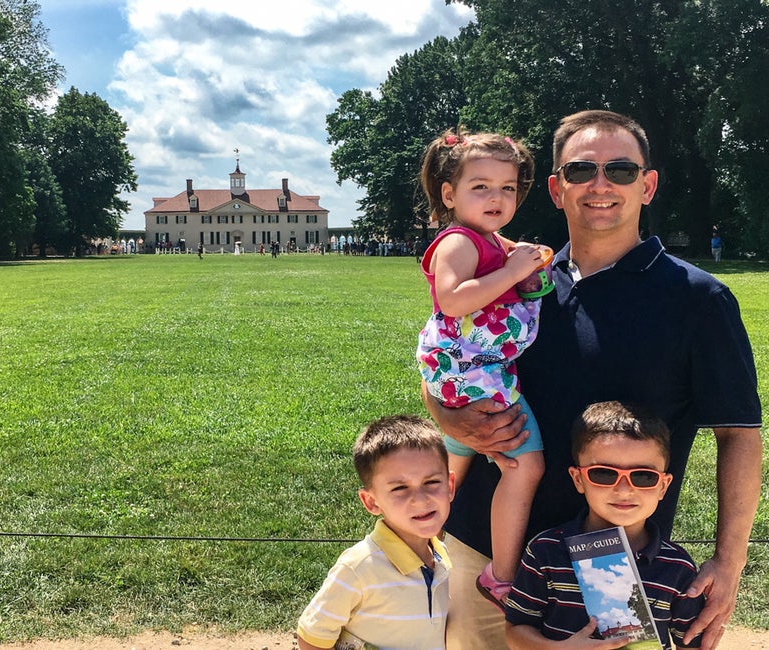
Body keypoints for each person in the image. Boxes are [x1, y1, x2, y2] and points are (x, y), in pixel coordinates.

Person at [424, 110, 761, 650]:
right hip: (486, 553)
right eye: (581, 170)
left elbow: (739, 433)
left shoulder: (699, 300)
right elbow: (450, 362)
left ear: (647, 185)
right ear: (556, 189)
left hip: (612, 560)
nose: (600, 185)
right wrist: (445, 413)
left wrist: (729, 559)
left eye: (621, 170)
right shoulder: (516, 281)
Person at [416, 129, 547, 610]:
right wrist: (514, 271)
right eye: (481, 186)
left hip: (469, 370)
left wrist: (524, 264)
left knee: (455, 467)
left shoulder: (487, 239)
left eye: (508, 187)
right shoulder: (458, 241)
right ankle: (501, 576)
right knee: (525, 465)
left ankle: (421, 543)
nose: (497, 197)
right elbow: (452, 299)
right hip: (477, 372)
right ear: (449, 195)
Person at [505, 401, 705, 649]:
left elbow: (691, 643)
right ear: (578, 479)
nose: (624, 489)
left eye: (644, 476)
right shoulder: (545, 551)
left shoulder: (678, 568)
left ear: (663, 486)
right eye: (604, 473)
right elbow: (515, 629)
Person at [296, 415, 455, 650]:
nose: (420, 499)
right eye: (400, 488)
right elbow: (311, 638)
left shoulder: (444, 558)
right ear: (371, 501)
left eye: (431, 482)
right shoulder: (359, 567)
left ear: (450, 486)